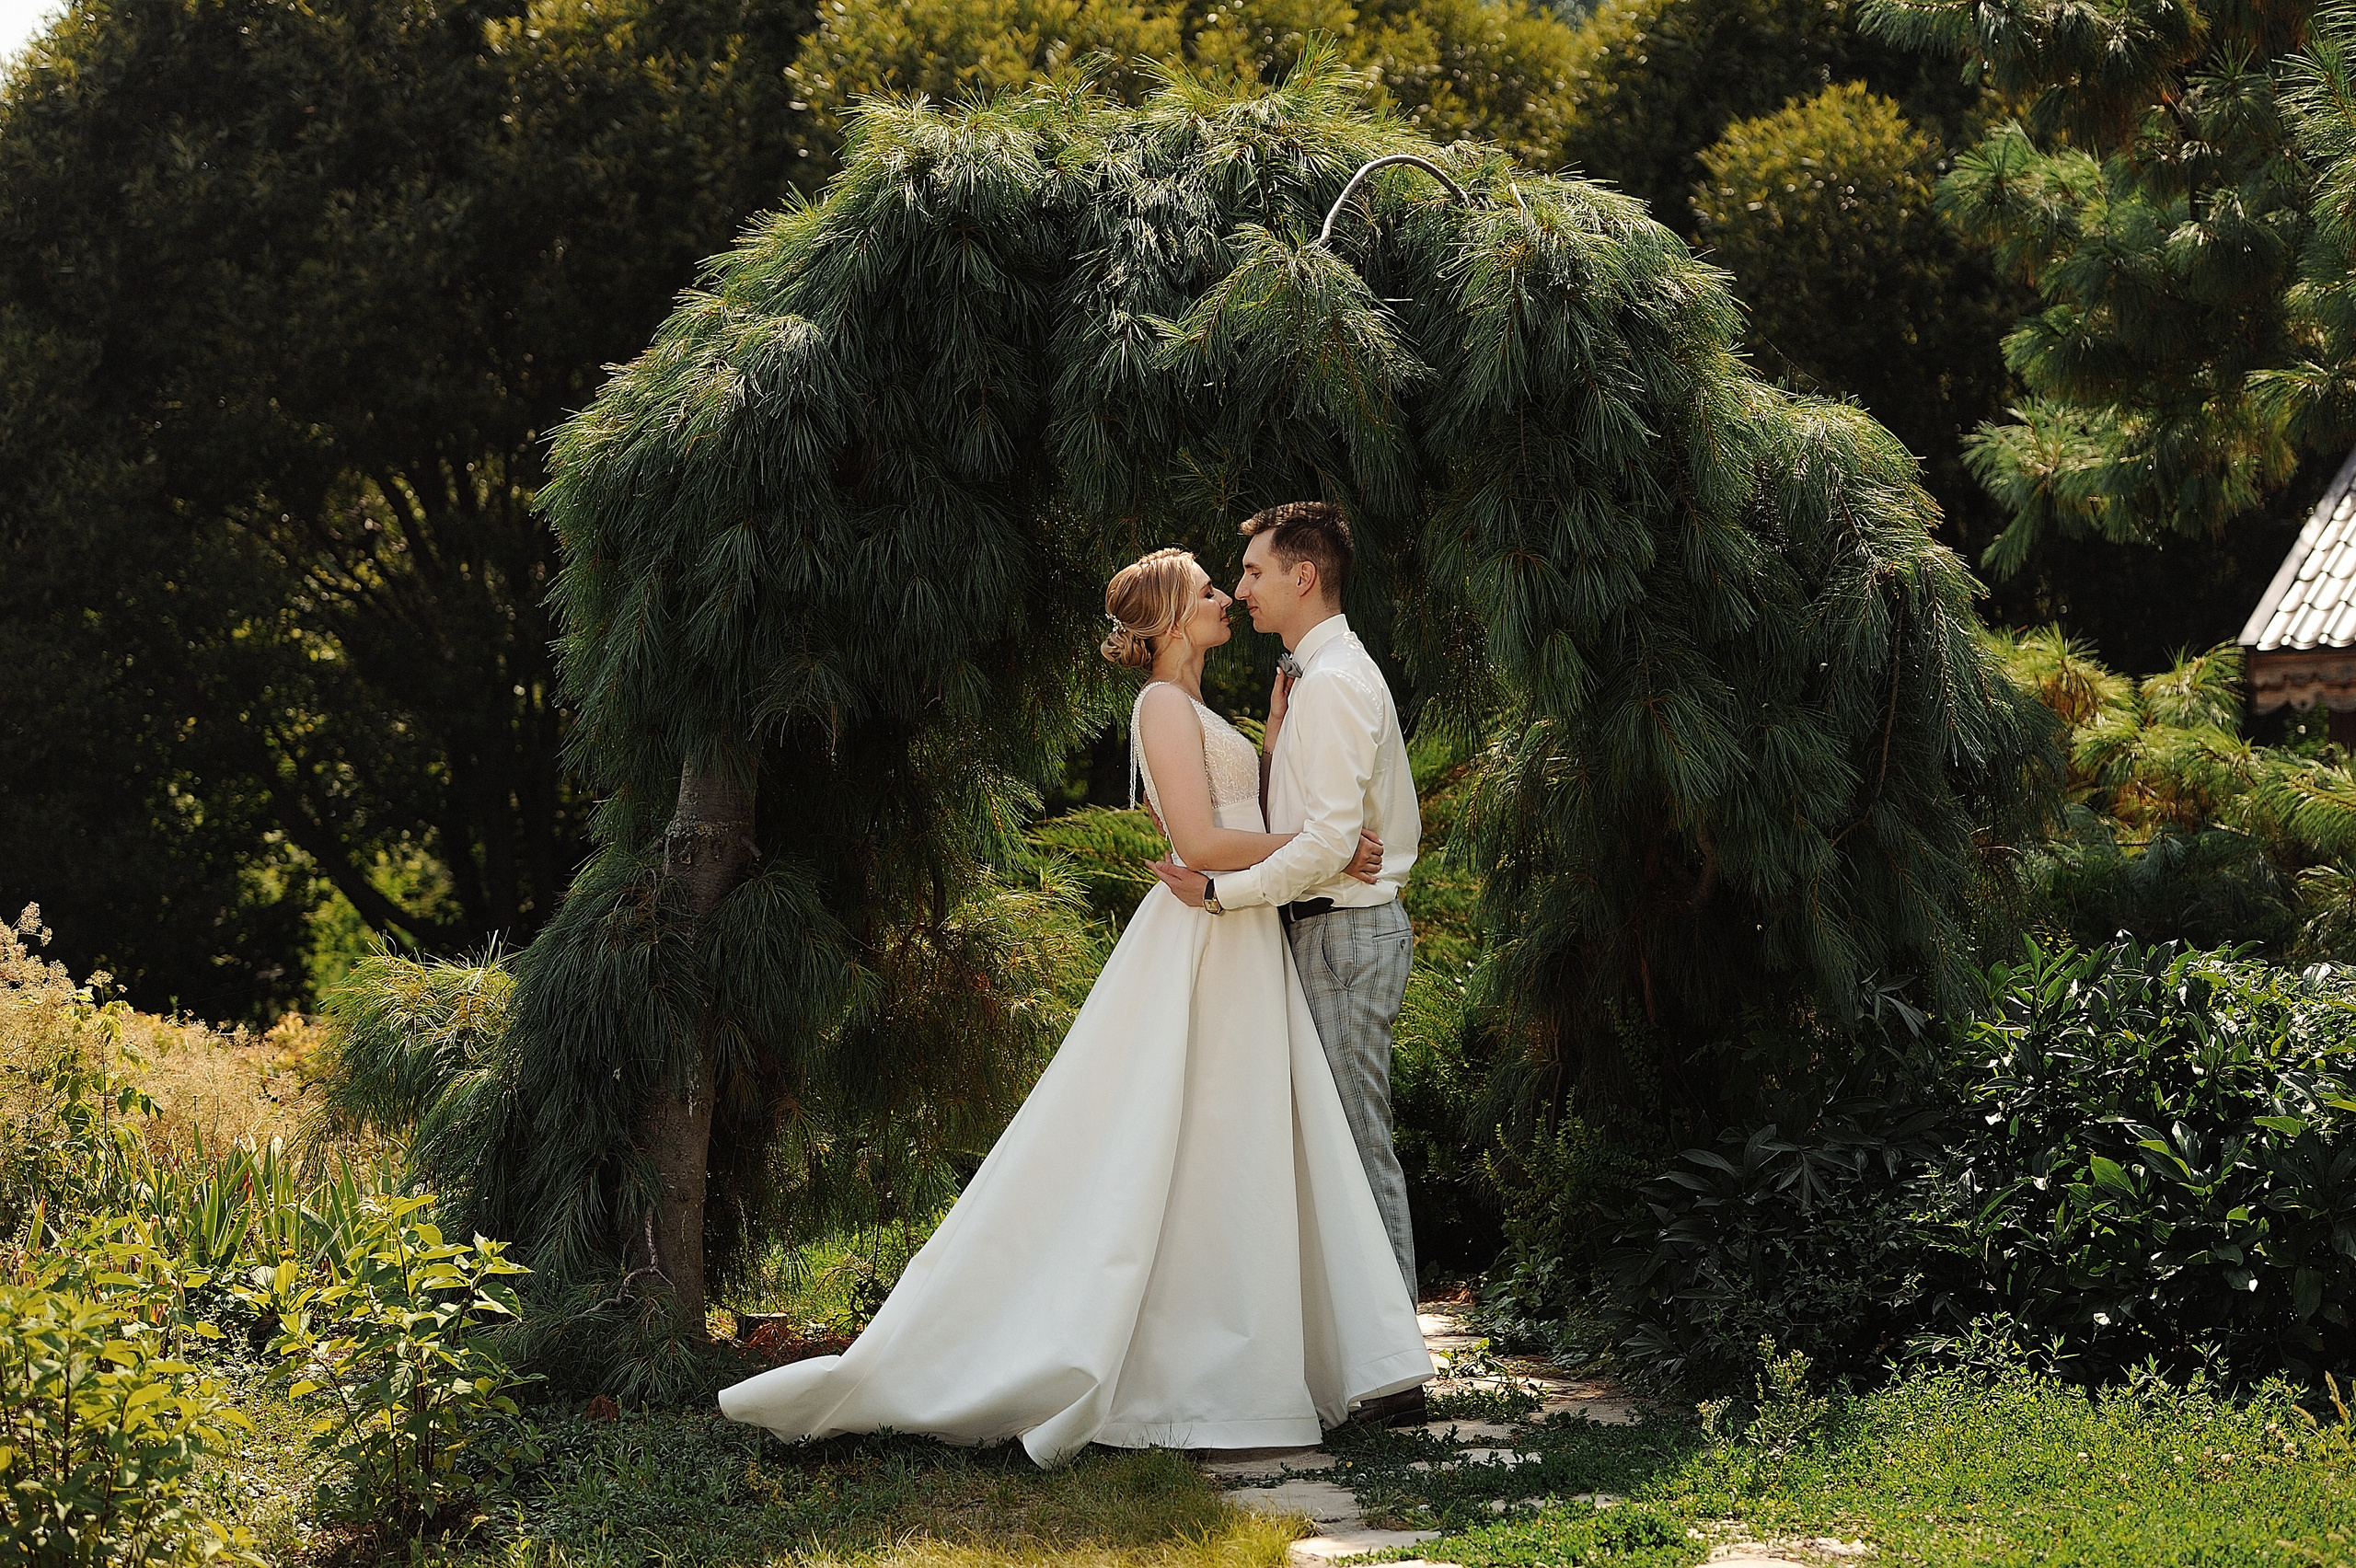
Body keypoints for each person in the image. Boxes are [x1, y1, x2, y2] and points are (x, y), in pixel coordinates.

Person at [716, 546, 1432, 1466]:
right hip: (1204, 938)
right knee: (1184, 1138)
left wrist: (1282, 743)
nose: (1227, 598)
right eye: (1210, 590)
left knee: (1231, 1147)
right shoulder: (1161, 707)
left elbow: (1239, 819)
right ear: (1173, 621)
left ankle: (1268, 1351)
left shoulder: (1199, 706)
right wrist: (1327, 844)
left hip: (1241, 938)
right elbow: (1205, 839)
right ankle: (1191, 1366)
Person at [1146, 502, 1426, 1428]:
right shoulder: (1307, 680)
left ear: (1303, 576)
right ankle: (1346, 1358)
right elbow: (1304, 825)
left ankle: (1392, 1380)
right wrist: (1272, 741)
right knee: (1328, 1150)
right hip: (1308, 931)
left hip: (1344, 935)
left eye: (1256, 571)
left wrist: (1225, 896)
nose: (1244, 587)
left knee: (1354, 1145)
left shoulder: (1339, 681)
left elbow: (1332, 843)